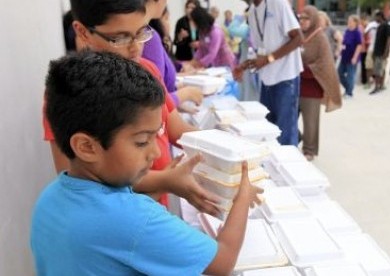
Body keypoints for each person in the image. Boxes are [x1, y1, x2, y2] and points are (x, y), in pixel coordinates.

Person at [31, 50, 263, 275]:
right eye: (142, 141)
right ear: (86, 147)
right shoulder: (135, 219)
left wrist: (165, 184)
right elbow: (222, 262)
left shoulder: (49, 197)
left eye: (157, 134)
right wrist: (241, 197)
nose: (154, 152)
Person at [43, 0, 220, 214]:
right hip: (120, 219)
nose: (136, 47)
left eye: (141, 33)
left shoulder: (147, 71)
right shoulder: (71, 93)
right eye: (120, 37)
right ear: (82, 31)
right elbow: (77, 181)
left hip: (158, 207)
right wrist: (165, 179)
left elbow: (176, 130)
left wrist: (224, 146)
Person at [234, 0, 304, 146]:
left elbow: (298, 38)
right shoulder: (253, 11)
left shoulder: (278, 3)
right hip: (267, 79)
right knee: (268, 131)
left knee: (285, 135)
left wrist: (269, 59)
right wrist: (244, 66)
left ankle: (287, 164)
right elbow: (262, 49)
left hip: (286, 77)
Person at [299, 6, 342, 161]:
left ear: (314, 20)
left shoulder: (320, 38)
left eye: (306, 18)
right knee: (287, 118)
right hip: (295, 86)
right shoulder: (297, 35)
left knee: (310, 123)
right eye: (301, 18)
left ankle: (309, 150)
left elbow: (324, 65)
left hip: (312, 88)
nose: (303, 22)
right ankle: (294, 140)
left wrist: (300, 69)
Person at [143, 3, 204, 112]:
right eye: (166, 18)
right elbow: (154, 98)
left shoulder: (153, 38)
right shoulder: (151, 38)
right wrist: (185, 93)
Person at [370, 11, 390, 95]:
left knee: (378, 70)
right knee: (380, 69)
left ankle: (377, 86)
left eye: (376, 17)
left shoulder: (386, 26)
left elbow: (389, 39)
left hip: (381, 51)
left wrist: (386, 51)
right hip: (377, 50)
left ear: (380, 16)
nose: (375, 19)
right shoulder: (380, 26)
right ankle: (381, 85)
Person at [338, 15, 363, 98]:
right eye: (348, 21)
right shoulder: (347, 31)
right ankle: (348, 88)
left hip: (352, 57)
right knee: (340, 72)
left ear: (355, 22)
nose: (348, 23)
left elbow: (359, 45)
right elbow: (343, 43)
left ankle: (349, 93)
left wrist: (355, 57)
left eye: (350, 21)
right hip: (344, 56)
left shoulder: (357, 33)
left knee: (350, 75)